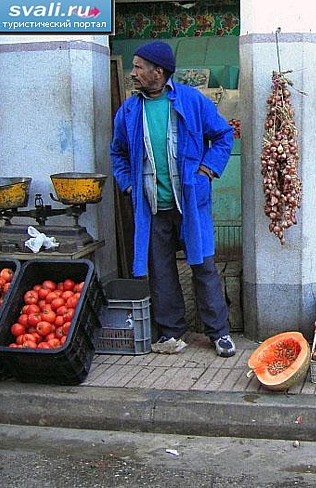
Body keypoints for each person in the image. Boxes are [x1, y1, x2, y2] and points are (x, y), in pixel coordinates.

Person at [111, 40, 236, 357]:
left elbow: (223, 135)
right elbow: (118, 153)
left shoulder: (192, 100)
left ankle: (218, 332)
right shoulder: (129, 110)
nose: (134, 72)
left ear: (158, 71)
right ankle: (171, 332)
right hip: (153, 206)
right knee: (162, 271)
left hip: (191, 203)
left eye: (139, 67)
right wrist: (128, 185)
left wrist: (206, 171)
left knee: (204, 265)